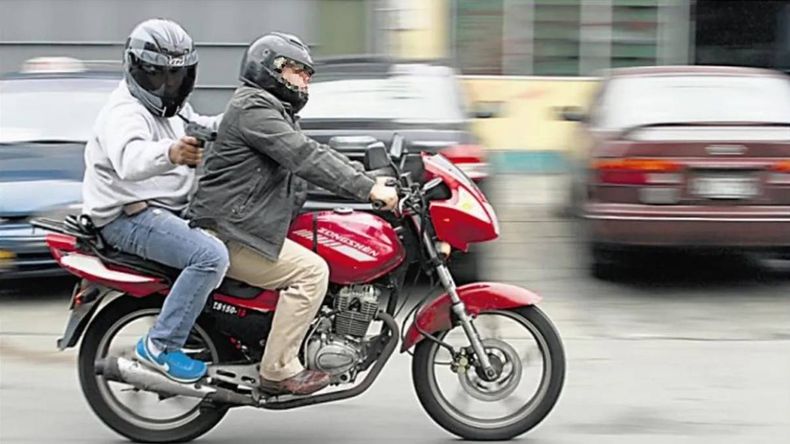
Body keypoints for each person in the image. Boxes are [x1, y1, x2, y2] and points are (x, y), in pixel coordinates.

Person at [188, 32, 398, 395]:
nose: (304, 81)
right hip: (229, 230)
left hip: (246, 223)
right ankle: (277, 369)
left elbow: (312, 154)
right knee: (312, 273)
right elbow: (304, 157)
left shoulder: (270, 111)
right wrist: (368, 189)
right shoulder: (254, 109)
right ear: (270, 70)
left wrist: (369, 179)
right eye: (295, 71)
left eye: (307, 74)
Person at [82, 18, 229, 383]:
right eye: (159, 76)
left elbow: (201, 126)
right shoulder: (124, 111)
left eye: (176, 77)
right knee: (210, 256)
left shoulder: (172, 108)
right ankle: (160, 346)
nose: (168, 85)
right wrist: (172, 153)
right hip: (127, 217)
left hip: (165, 208)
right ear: (137, 69)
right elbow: (130, 160)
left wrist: (246, 119)